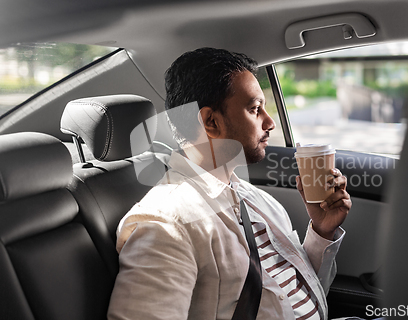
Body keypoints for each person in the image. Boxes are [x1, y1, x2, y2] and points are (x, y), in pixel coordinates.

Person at [107, 47, 352, 320]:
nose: (270, 123)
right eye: (255, 109)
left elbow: (298, 291)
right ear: (211, 122)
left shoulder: (258, 201)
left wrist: (321, 231)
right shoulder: (166, 224)